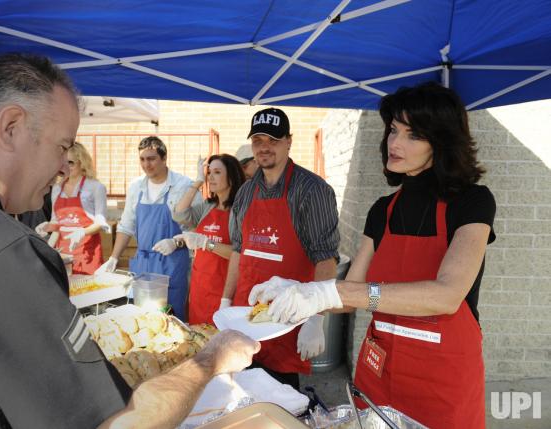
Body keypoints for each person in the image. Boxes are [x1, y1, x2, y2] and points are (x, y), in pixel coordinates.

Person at [0, 53, 260, 429]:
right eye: (62, 146)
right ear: (10, 127)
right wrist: (210, 360)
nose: (62, 167)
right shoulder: (1, 255)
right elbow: (114, 424)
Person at [249, 82, 496, 429]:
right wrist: (299, 289)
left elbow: (447, 294)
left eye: (413, 135)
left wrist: (333, 292)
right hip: (379, 370)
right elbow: (350, 295)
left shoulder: (472, 202)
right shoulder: (383, 210)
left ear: (441, 143)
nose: (394, 143)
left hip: (441, 380)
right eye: (394, 129)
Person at [221, 107, 341, 390]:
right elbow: (238, 251)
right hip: (245, 319)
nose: (264, 147)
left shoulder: (313, 190)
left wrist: (316, 319)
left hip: (287, 322)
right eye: (258, 140)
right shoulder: (246, 192)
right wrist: (225, 303)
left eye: (273, 140)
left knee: (282, 406)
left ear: (289, 141)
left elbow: (326, 258)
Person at [96, 136, 201, 321]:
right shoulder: (136, 187)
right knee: (143, 320)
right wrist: (113, 258)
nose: (146, 164)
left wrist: (176, 242)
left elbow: (200, 227)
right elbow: (126, 225)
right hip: (143, 264)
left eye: (151, 158)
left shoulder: (183, 185)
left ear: (164, 158)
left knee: (172, 320)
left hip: (173, 264)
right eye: (142, 159)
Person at [172, 153, 246, 325]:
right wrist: (197, 182)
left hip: (223, 293)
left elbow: (239, 253)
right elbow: (179, 214)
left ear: (232, 177)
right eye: (208, 172)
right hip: (200, 290)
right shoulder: (208, 206)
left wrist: (206, 243)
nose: (210, 177)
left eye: (217, 172)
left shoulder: (238, 211)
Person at [38, 142, 109, 274]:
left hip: (87, 253)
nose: (66, 167)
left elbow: (101, 224)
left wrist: (82, 232)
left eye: (71, 162)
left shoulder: (95, 187)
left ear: (82, 162)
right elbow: (57, 224)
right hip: (63, 255)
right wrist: (47, 228)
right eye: (63, 162)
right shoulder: (57, 188)